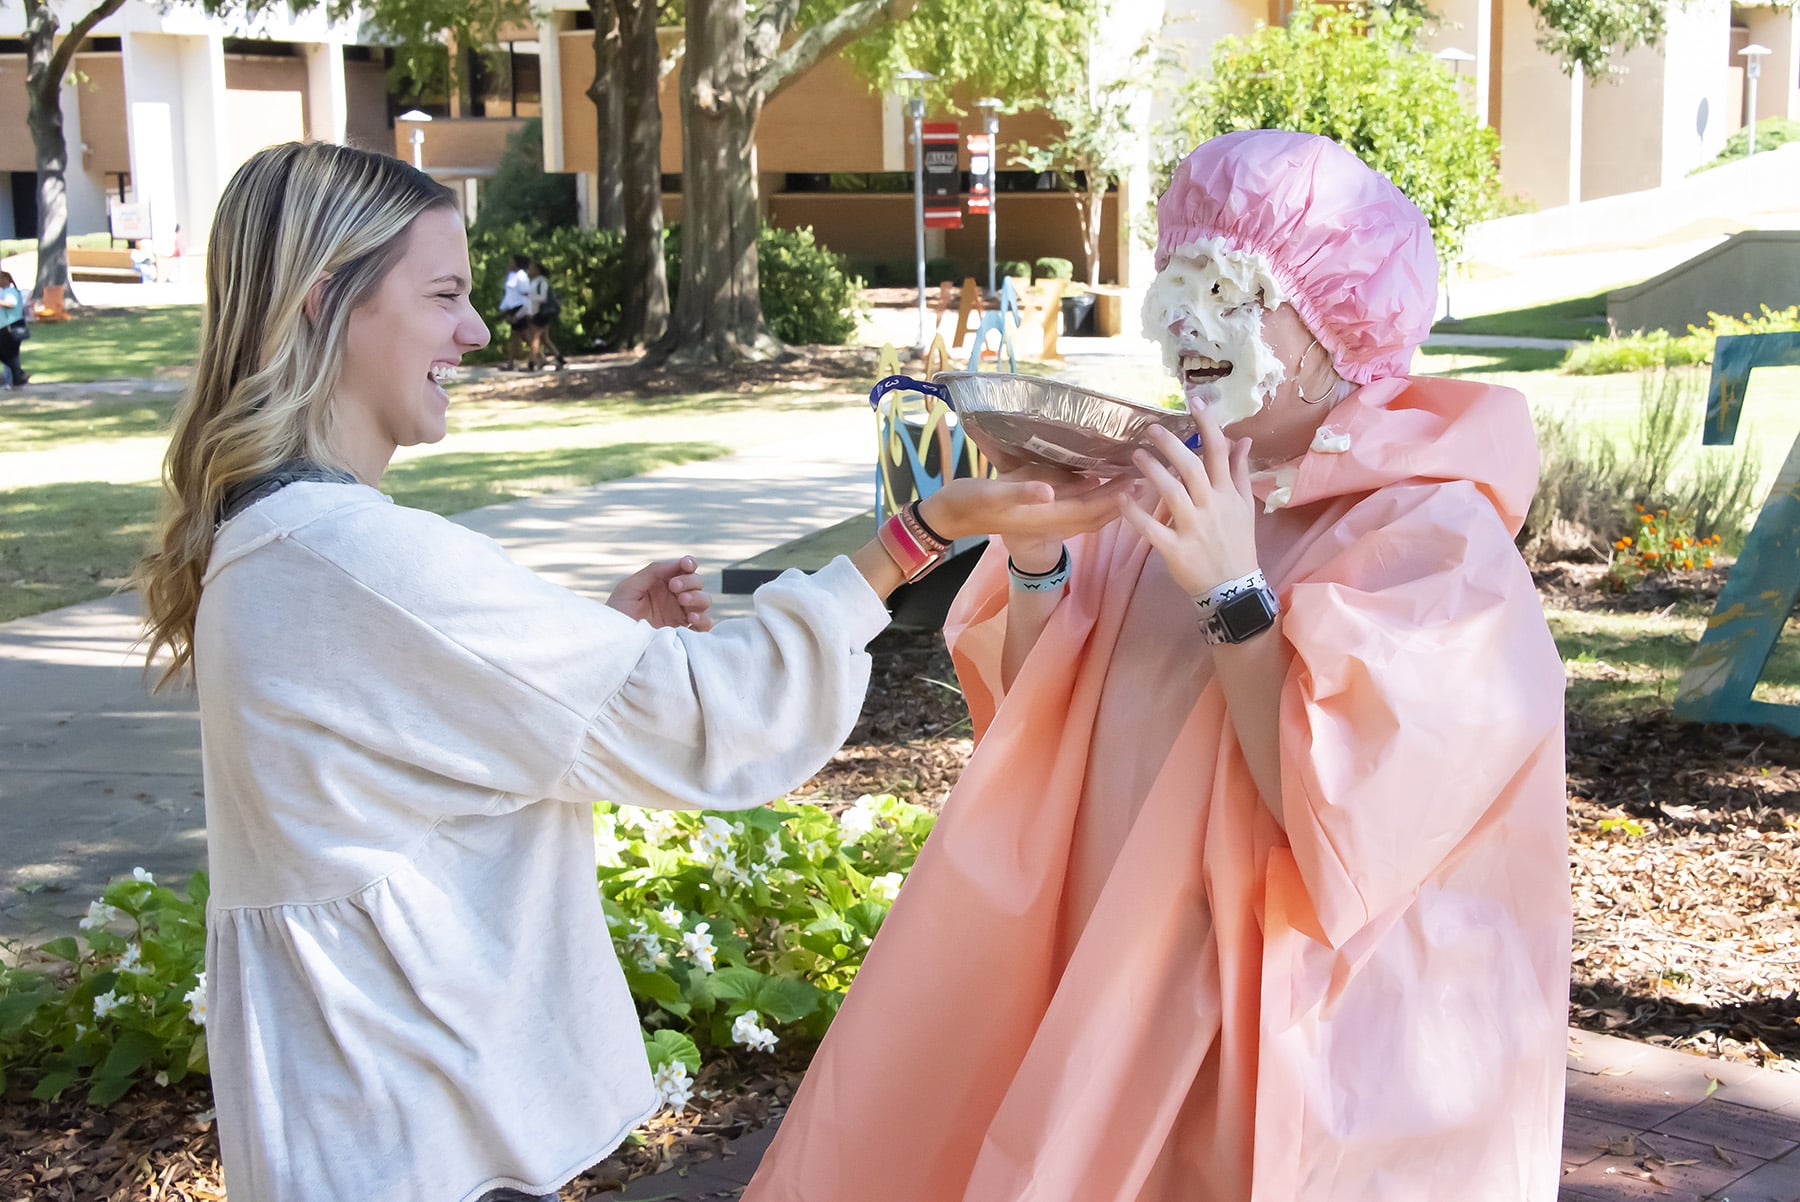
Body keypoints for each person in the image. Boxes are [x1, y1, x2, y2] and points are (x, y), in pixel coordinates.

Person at [129, 140, 1126, 1202]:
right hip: (412, 1140)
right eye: (443, 295)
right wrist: (918, 534)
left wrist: (596, 650)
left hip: (354, 1131)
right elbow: (721, 714)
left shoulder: (272, 546)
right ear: (329, 301)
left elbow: (401, 772)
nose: (474, 329)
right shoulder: (356, 558)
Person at [745, 129, 1570, 1202]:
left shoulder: (1435, 540)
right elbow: (1033, 717)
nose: (1188, 317)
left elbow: (1338, 833)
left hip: (1273, 1027)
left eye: (1232, 286)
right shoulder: (1157, 485)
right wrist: (1037, 552)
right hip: (1109, 974)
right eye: (1178, 278)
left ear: (1334, 327)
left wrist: (1233, 592)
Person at [525, 258, 565, 371]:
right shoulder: (534, 282)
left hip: (541, 314)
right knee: (545, 338)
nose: (529, 270)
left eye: (531, 268)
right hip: (537, 313)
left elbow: (542, 298)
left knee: (535, 338)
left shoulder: (541, 281)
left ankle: (532, 362)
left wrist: (530, 296)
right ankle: (559, 358)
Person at [498, 252, 532, 370]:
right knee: (517, 337)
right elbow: (510, 295)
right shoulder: (512, 275)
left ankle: (537, 359)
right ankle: (511, 363)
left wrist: (522, 312)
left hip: (520, 308)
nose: (510, 264)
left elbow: (526, 294)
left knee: (524, 336)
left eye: (512, 261)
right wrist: (504, 309)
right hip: (514, 308)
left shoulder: (521, 276)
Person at [0, 271, 28, 387]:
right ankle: (17, 376)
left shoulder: (10, 291)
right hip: (6, 328)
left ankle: (15, 379)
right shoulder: (5, 292)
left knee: (11, 355)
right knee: (10, 355)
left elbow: (10, 304)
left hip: (12, 328)